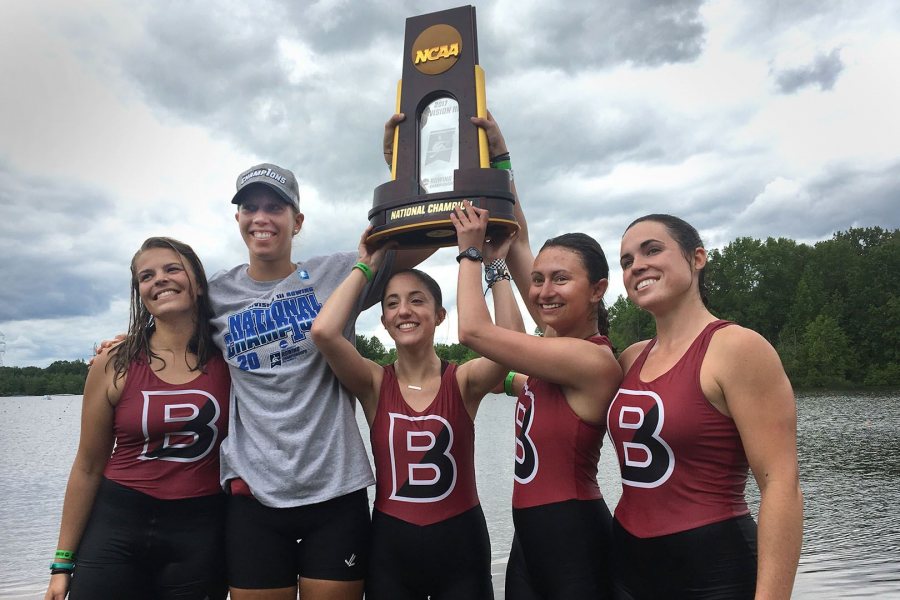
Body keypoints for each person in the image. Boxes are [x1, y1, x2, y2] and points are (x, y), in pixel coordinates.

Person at [211, 162, 432, 600]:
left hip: (334, 491)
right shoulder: (215, 293)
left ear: (297, 221)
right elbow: (169, 323)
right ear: (237, 218)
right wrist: (127, 340)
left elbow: (425, 231)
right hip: (253, 496)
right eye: (249, 207)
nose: (261, 218)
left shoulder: (342, 272)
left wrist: (401, 159)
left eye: (275, 207)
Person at [310, 218, 523, 599]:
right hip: (392, 551)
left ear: (440, 315)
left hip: (461, 546)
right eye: (392, 304)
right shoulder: (374, 383)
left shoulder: (464, 381)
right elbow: (324, 331)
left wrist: (492, 264)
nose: (403, 310)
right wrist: (366, 265)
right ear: (385, 322)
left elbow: (513, 344)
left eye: (417, 300)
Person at [609, 214, 803, 599]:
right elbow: (555, 333)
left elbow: (782, 485)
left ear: (697, 258)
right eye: (627, 261)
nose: (637, 266)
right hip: (628, 567)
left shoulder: (736, 348)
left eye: (652, 250)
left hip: (713, 570)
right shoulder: (631, 359)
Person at [455, 197, 623, 597]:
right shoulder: (550, 352)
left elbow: (474, 332)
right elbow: (519, 237)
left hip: (574, 537)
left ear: (597, 289)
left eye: (561, 279)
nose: (545, 291)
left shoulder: (592, 360)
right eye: (539, 279)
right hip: (529, 539)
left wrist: (471, 252)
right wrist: (498, 160)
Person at [45, 237, 230, 600]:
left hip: (200, 531)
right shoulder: (113, 363)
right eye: (147, 276)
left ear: (199, 284)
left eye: (172, 269)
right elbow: (87, 465)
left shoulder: (232, 358)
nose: (159, 279)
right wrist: (62, 563)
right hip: (117, 526)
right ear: (139, 293)